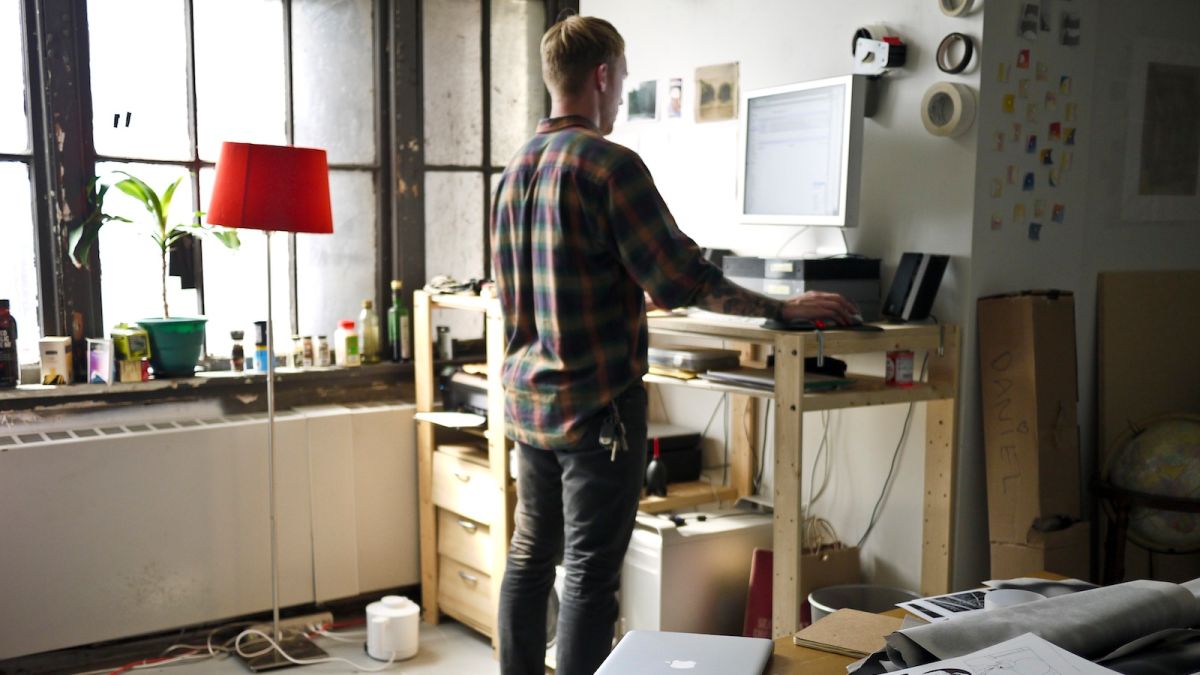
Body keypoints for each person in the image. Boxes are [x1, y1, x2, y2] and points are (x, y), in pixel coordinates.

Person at [490, 15, 858, 675]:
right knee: (589, 573)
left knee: (529, 559)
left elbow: (531, 279)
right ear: (603, 76)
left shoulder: (516, 168)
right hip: (596, 410)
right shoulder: (610, 165)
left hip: (531, 404)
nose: (621, 91)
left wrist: (629, 281)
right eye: (622, 78)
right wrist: (782, 309)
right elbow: (683, 276)